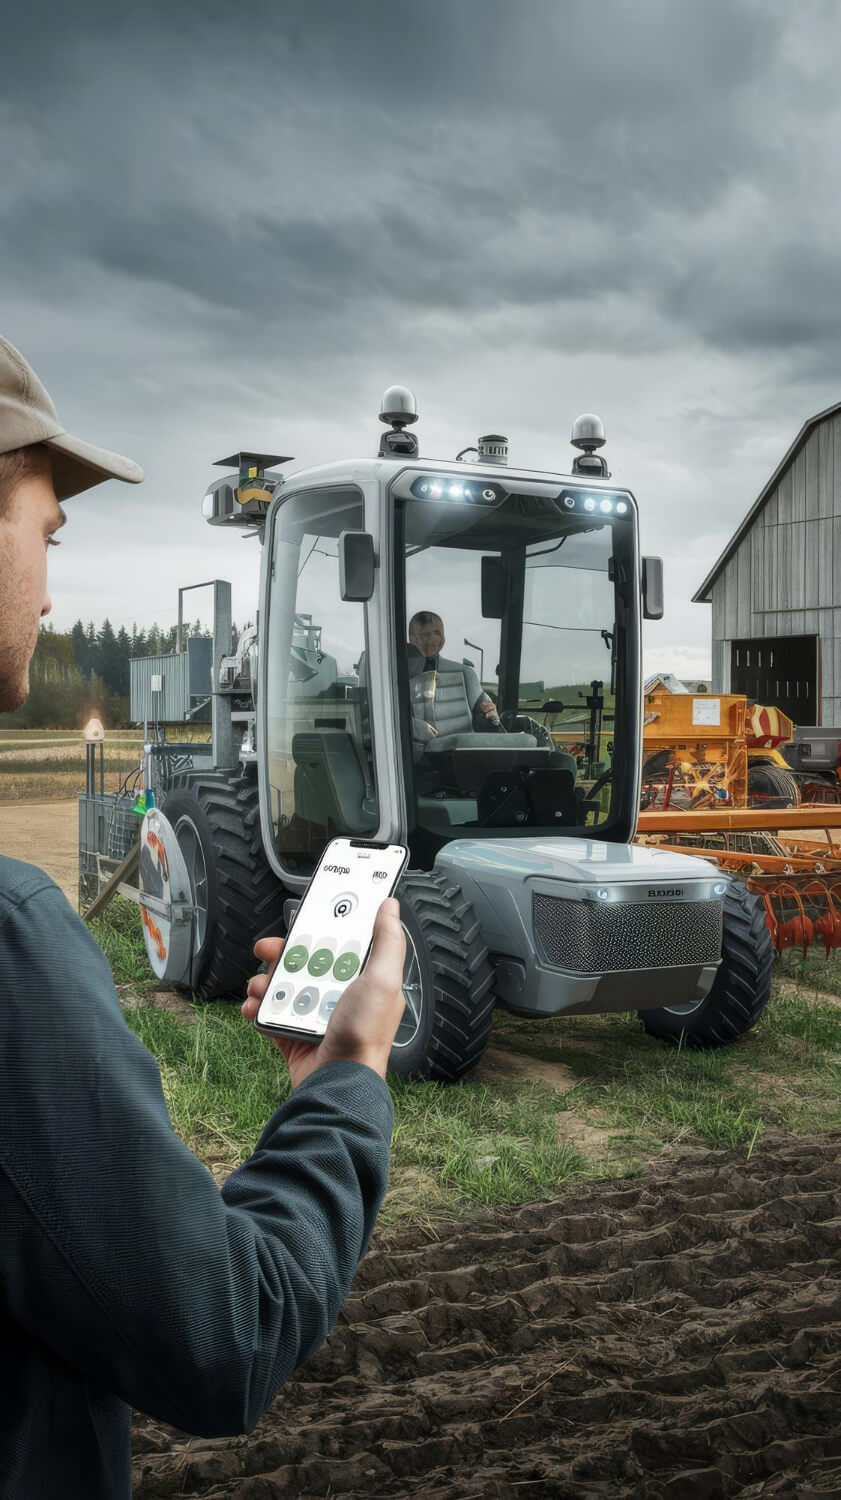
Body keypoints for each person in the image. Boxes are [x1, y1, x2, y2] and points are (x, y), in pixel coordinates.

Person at [0, 337, 406, 1499]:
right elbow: (229, 1334)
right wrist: (349, 1071)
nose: (53, 577)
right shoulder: (10, 936)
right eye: (45, 531)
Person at [406, 609, 501, 750]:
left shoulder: (464, 673)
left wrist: (488, 716)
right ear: (413, 639)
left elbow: (484, 717)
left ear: (443, 637)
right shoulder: (393, 675)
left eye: (437, 633)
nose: (433, 638)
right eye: (426, 634)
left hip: (459, 758)